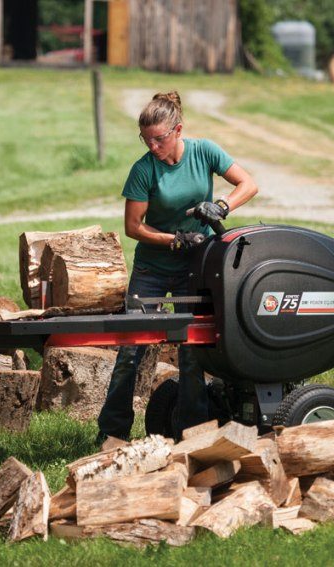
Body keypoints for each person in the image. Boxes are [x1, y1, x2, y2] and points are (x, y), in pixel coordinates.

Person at [96, 91, 258, 445]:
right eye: (146, 139)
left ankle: (191, 435)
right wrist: (173, 240)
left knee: (191, 351)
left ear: (178, 130)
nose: (152, 146)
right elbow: (133, 227)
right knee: (130, 351)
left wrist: (221, 206)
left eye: (159, 138)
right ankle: (112, 433)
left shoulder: (204, 152)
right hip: (152, 269)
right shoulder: (143, 169)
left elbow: (248, 184)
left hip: (195, 267)